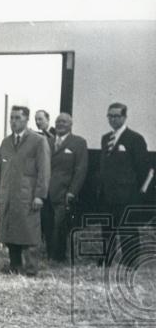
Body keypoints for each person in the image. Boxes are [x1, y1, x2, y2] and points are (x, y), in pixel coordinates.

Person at [0, 105, 50, 275]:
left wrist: (40, 195)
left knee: (30, 233)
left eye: (17, 118)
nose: (13, 121)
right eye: (11, 118)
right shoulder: (5, 143)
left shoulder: (38, 141)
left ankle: (31, 268)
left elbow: (44, 170)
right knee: (11, 231)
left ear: (27, 119)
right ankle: (15, 266)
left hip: (28, 196)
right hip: (8, 196)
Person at [98, 102, 150, 268]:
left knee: (128, 228)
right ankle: (107, 258)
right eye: (110, 116)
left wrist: (137, 192)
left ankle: (130, 261)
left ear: (124, 117)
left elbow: (143, 168)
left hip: (127, 194)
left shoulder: (135, 139)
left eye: (116, 116)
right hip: (107, 193)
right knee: (107, 228)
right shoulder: (106, 138)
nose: (113, 119)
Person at [42, 112, 87, 264]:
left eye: (64, 122)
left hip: (64, 192)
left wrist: (73, 191)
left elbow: (81, 169)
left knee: (60, 225)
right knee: (47, 224)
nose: (60, 124)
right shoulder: (47, 141)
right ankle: (49, 255)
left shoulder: (78, 142)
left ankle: (59, 257)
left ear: (71, 125)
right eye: (58, 122)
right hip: (46, 191)